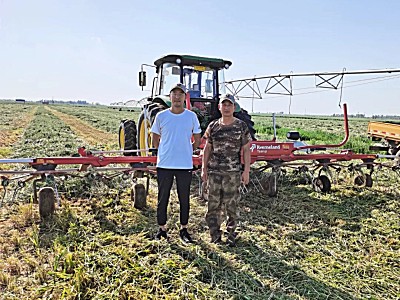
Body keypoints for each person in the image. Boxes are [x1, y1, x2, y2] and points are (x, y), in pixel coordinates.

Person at [151, 83, 201, 243]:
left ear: (184, 97)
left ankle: (184, 229)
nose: (177, 97)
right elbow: (155, 138)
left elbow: (197, 138)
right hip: (164, 164)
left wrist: (187, 149)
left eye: (180, 94)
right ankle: (162, 229)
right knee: (162, 197)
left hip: (184, 165)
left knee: (184, 198)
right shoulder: (161, 116)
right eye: (174, 93)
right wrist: (166, 151)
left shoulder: (191, 116)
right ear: (170, 96)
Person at [201, 94, 251, 246]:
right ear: (219, 107)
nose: (227, 107)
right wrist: (204, 168)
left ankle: (231, 236)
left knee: (232, 206)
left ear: (234, 107)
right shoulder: (213, 126)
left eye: (230, 104)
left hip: (232, 173)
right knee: (213, 206)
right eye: (224, 104)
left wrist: (246, 170)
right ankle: (214, 235)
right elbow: (207, 148)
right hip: (214, 173)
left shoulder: (241, 126)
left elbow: (246, 150)